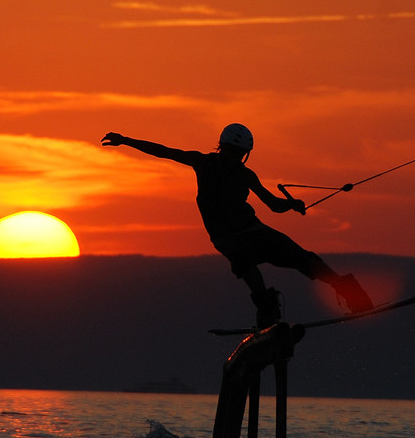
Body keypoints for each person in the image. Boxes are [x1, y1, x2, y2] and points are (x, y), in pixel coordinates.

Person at [101, 123, 373, 327]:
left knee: (300, 258)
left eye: (238, 153)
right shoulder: (209, 163)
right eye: (234, 151)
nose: (235, 156)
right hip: (231, 237)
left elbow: (273, 205)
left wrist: (291, 204)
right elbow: (164, 152)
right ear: (231, 149)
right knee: (249, 265)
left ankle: (347, 292)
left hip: (249, 232)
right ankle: (269, 313)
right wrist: (126, 141)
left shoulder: (233, 170)